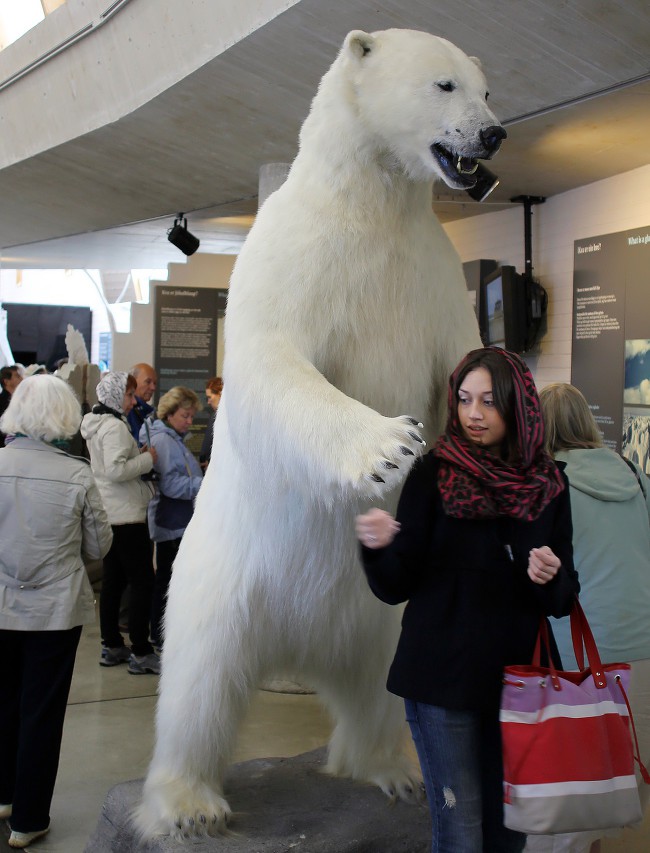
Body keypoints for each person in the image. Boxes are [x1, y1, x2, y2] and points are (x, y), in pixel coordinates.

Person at [355, 347, 578, 853]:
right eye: (464, 400)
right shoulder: (433, 474)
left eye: (489, 402)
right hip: (442, 678)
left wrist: (550, 575)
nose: (473, 414)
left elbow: (563, 598)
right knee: (459, 830)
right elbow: (395, 586)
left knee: (509, 831)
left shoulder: (548, 484)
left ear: (518, 407)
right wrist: (378, 546)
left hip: (518, 683)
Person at [531, 382, 650, 853]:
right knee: (614, 784)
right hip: (643, 646)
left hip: (582, 655)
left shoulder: (547, 485)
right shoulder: (636, 476)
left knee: (572, 794)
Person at [0, 375, 113, 849]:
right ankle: (28, 819)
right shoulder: (76, 473)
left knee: (4, 703)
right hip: (54, 610)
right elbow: (99, 544)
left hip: (2, 605)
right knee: (41, 712)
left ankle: (5, 794)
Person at [80, 372, 161, 675]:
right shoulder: (113, 427)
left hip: (110, 512)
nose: (132, 400)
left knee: (114, 581)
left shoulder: (97, 423)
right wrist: (147, 459)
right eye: (128, 395)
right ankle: (140, 651)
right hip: (126, 515)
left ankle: (111, 644)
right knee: (142, 582)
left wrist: (134, 456)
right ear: (116, 396)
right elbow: (115, 470)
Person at [141, 386, 203, 651]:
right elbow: (171, 485)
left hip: (176, 520)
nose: (189, 421)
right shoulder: (165, 441)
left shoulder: (173, 438)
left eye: (191, 416)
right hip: (170, 522)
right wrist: (204, 483)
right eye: (185, 416)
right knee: (166, 582)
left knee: (169, 580)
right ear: (170, 414)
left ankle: (164, 634)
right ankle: (159, 635)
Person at [127, 362, 158, 443]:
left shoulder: (150, 412)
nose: (153, 387)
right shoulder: (127, 411)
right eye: (148, 382)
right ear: (132, 381)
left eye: (155, 383)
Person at [199, 375, 223, 469]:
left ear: (220, 394)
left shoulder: (216, 416)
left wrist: (203, 459)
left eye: (209, 397)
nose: (208, 402)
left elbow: (205, 451)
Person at [0, 365, 23, 447]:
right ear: (7, 381)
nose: (22, 379)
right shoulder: (2, 402)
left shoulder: (21, 400)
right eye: (17, 376)